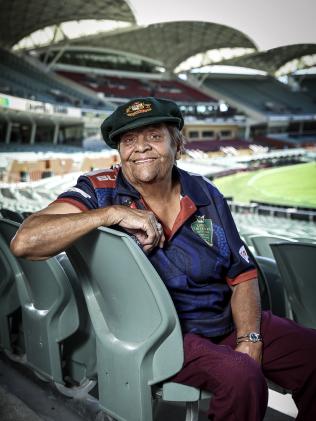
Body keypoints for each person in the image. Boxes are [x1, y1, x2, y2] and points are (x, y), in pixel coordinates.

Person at [11, 97, 316, 421]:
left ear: (178, 144)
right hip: (164, 335)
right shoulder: (101, 191)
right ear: (120, 152)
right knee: (242, 376)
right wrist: (110, 214)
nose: (140, 147)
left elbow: (242, 275)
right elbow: (25, 240)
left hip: (226, 322)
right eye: (129, 140)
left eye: (154, 136)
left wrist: (249, 338)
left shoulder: (206, 194)